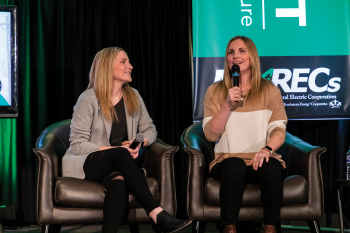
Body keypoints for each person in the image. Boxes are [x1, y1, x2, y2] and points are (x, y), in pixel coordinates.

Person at [62, 47, 191, 233]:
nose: (130, 66)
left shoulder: (133, 96)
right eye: (123, 62)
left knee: (119, 182)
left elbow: (149, 129)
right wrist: (114, 150)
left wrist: (138, 143)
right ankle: (156, 213)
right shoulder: (88, 98)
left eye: (128, 61)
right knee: (120, 154)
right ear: (107, 67)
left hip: (118, 165)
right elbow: (77, 144)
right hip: (87, 161)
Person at [202, 36, 288, 233]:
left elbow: (278, 130)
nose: (236, 56)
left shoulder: (270, 91)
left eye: (242, 51)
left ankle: (270, 227)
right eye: (231, 52)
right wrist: (227, 105)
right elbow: (210, 135)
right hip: (227, 160)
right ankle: (229, 228)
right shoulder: (215, 91)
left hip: (260, 159)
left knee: (271, 167)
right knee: (234, 165)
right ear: (227, 60)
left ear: (252, 57)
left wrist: (266, 150)